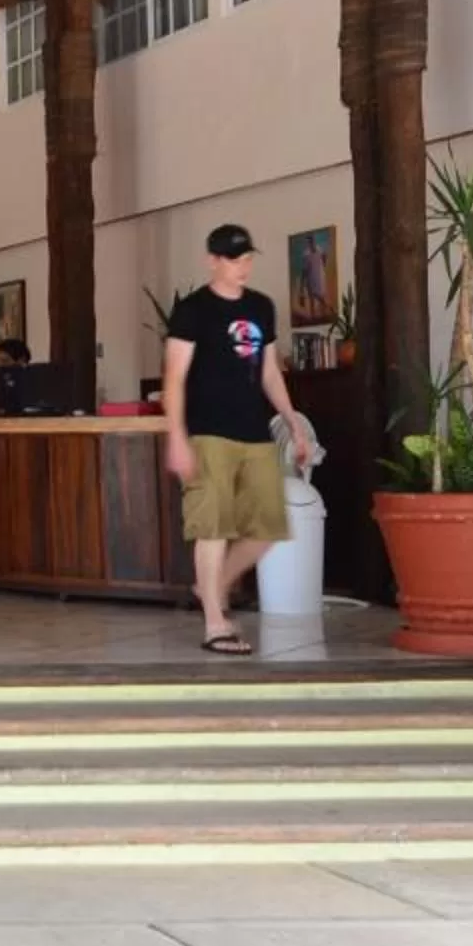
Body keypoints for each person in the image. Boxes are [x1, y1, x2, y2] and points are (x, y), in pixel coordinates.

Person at [162, 223, 314, 655]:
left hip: (254, 431)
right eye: (234, 259)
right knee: (212, 527)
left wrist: (293, 422)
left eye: (247, 258)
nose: (242, 266)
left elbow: (268, 371)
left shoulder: (262, 307)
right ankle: (215, 622)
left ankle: (214, 586)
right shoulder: (193, 311)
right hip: (208, 433)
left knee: (268, 526)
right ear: (214, 261)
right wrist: (176, 435)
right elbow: (173, 378)